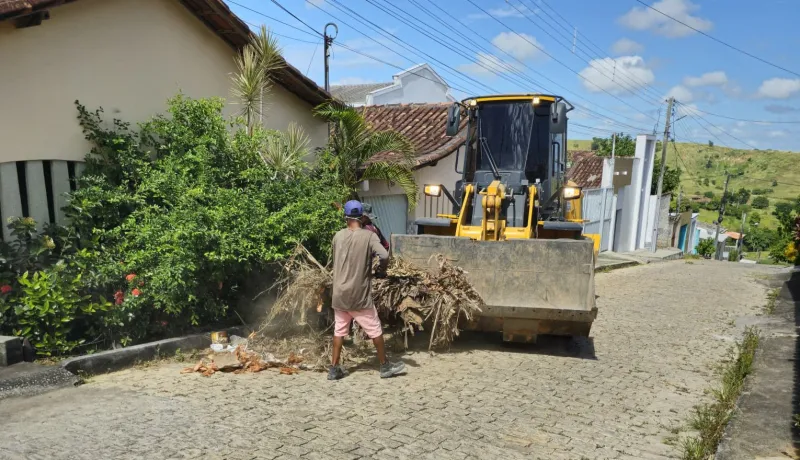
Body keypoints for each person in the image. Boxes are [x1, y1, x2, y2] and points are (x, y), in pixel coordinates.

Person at [328, 200, 406, 380]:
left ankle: (334, 369)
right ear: (363, 217)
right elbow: (385, 254)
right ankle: (385, 366)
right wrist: (381, 270)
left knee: (339, 331)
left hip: (339, 293)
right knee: (375, 329)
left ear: (345, 217)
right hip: (358, 295)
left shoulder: (337, 236)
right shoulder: (369, 236)